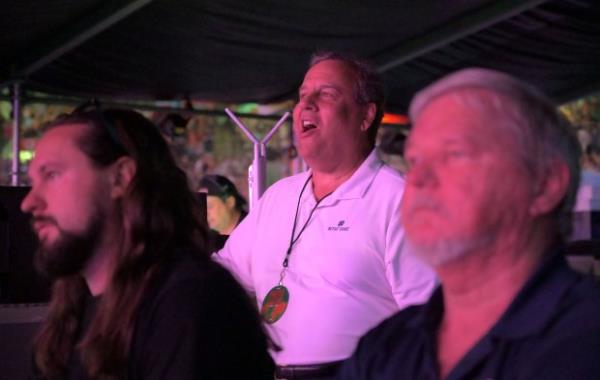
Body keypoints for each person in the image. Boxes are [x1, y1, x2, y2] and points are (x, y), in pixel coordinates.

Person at [337, 68, 600, 380]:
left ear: (544, 184)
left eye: (454, 154)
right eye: (415, 161)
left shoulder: (586, 341)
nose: (418, 179)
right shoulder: (386, 347)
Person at [215, 52, 436, 379]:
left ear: (365, 115)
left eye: (326, 95)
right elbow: (221, 277)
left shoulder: (399, 200)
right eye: (303, 96)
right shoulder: (279, 196)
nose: (306, 104)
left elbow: (430, 322)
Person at [21, 102, 274, 380]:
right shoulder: (73, 306)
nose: (29, 202)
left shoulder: (189, 302)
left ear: (119, 178)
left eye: (52, 175)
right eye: (32, 181)